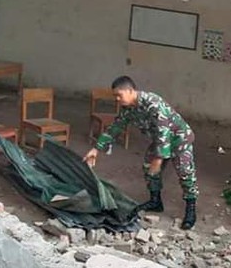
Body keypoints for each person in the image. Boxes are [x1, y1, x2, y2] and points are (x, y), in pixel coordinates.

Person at [83, 76, 198, 230]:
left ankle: (191, 209)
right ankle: (155, 201)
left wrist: (159, 159)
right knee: (148, 168)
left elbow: (163, 132)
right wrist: (96, 149)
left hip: (179, 139)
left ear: (131, 91)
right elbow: (116, 127)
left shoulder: (153, 103)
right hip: (159, 141)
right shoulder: (128, 108)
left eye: (119, 95)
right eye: (115, 96)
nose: (117, 99)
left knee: (185, 173)